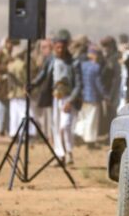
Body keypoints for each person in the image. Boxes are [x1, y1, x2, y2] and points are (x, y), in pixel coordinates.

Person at [30, 30, 82, 165]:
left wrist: (70, 101)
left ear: (66, 47)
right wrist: (32, 85)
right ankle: (60, 156)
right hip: (55, 99)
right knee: (56, 127)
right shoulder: (51, 61)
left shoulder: (74, 63)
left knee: (65, 126)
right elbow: (42, 76)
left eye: (62, 47)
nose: (60, 50)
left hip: (68, 99)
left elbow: (78, 85)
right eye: (57, 47)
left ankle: (69, 152)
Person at [74, 46, 107, 148]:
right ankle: (90, 141)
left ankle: (78, 133)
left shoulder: (82, 65)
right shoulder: (96, 67)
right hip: (93, 97)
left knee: (83, 117)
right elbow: (98, 84)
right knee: (92, 120)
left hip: (83, 96)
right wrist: (105, 95)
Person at [0, 38, 17, 137]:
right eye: (9, 43)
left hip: (10, 85)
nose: (11, 45)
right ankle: (0, 129)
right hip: (2, 84)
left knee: (9, 108)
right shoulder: (0, 53)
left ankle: (8, 128)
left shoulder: (13, 54)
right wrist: (7, 68)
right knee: (1, 108)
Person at [6, 44, 31, 138]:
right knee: (22, 113)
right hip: (21, 92)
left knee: (13, 114)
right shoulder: (22, 65)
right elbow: (25, 79)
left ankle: (13, 133)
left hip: (13, 92)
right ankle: (23, 133)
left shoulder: (10, 65)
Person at [99, 36, 122, 135]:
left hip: (113, 92)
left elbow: (116, 80)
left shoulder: (114, 59)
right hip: (106, 91)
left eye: (107, 46)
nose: (105, 48)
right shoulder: (106, 58)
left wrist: (110, 96)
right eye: (104, 46)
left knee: (112, 114)